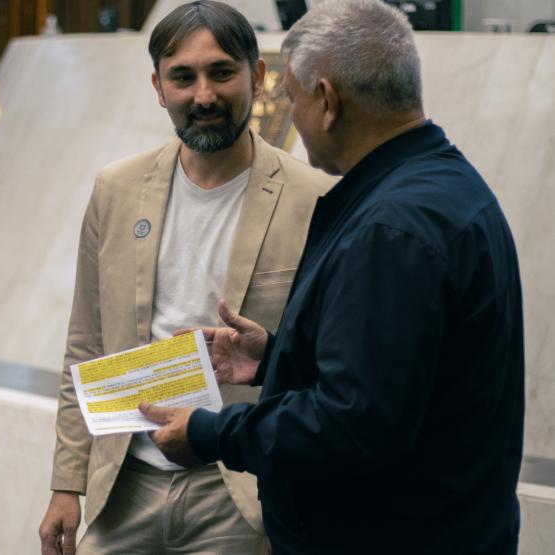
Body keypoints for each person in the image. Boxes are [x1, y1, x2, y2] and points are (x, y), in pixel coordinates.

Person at [141, 1, 525, 553]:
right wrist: (275, 358)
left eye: (292, 100)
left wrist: (209, 432)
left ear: (326, 101)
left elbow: (352, 426)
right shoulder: (442, 187)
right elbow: (397, 379)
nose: (291, 119)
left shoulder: (392, 229)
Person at [39, 2, 333, 553]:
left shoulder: (313, 198)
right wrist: (66, 482)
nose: (203, 96)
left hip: (239, 495)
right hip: (123, 483)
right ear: (158, 87)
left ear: (259, 75)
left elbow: (328, 363)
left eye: (222, 72)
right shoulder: (117, 188)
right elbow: (85, 343)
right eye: (183, 77)